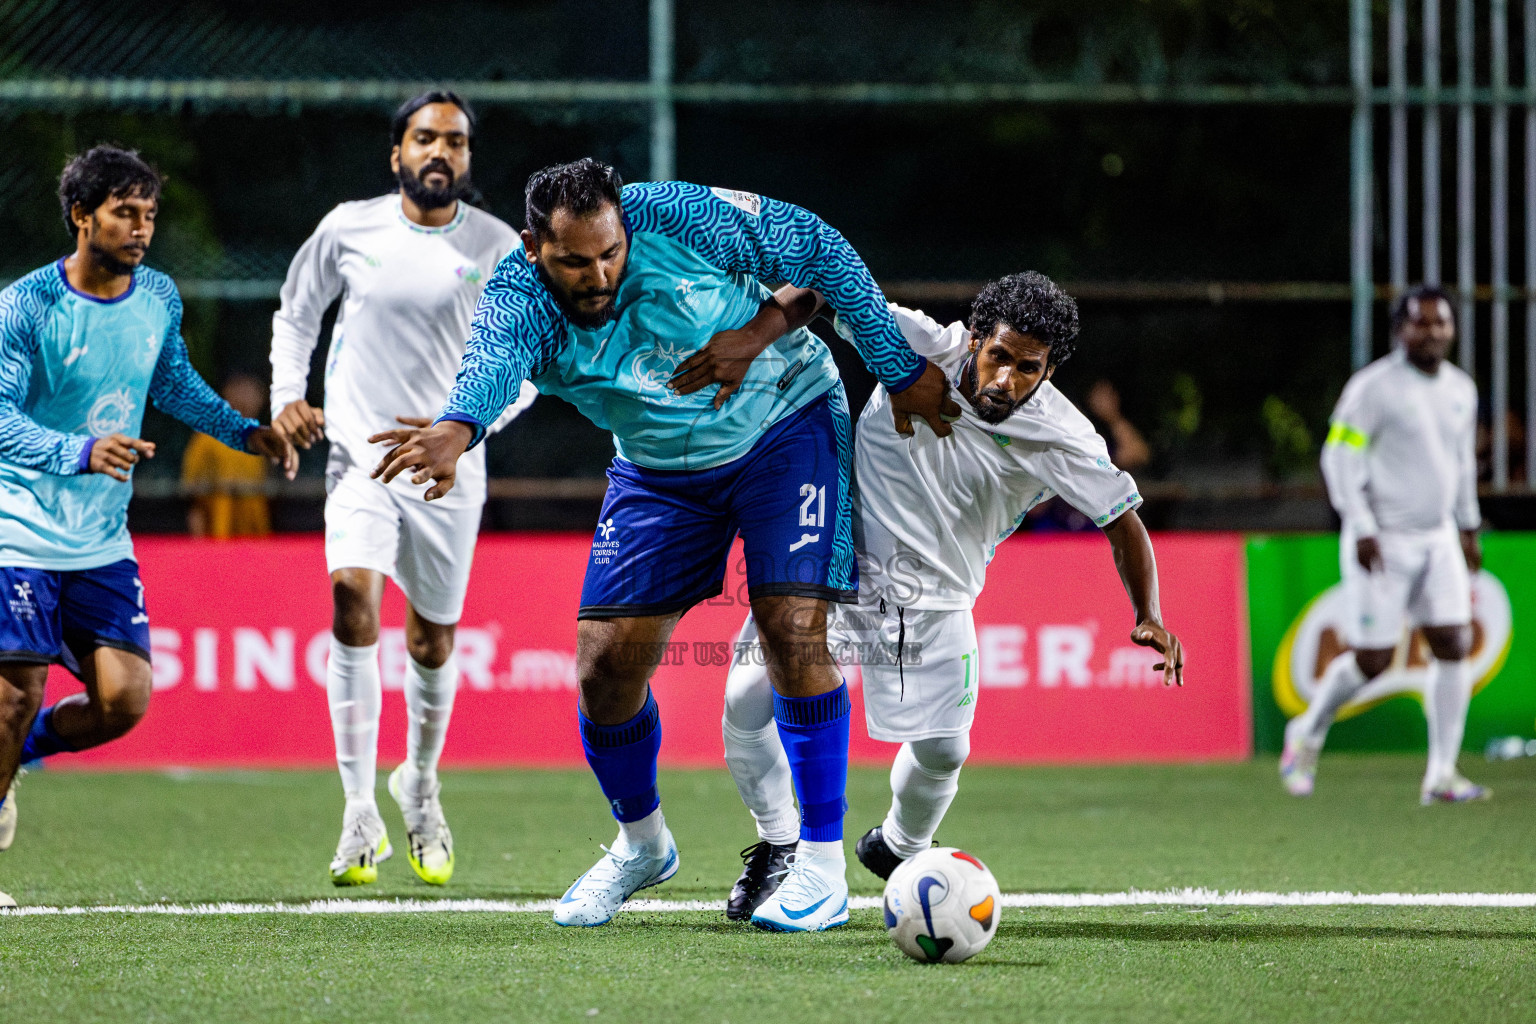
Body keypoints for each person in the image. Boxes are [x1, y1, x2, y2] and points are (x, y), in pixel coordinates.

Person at [372, 158, 958, 931]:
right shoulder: (514, 297)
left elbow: (814, 247)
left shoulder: (679, 215)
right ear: (532, 246)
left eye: (610, 252)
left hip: (785, 423)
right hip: (658, 472)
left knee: (791, 628)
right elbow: (490, 366)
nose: (598, 272)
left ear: (625, 225)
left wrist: (897, 364)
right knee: (604, 665)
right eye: (574, 261)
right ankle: (642, 845)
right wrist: (456, 426)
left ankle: (819, 866)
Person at [718, 273, 1184, 916]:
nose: (1008, 380)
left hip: (935, 598)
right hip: (829, 564)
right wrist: (750, 325)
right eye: (999, 356)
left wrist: (1149, 614)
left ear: (1048, 370)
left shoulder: (1063, 436)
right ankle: (779, 845)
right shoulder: (911, 341)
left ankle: (901, 846)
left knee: (944, 749)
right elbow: (828, 288)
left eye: (1030, 368)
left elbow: (1122, 518)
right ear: (973, 341)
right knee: (744, 702)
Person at [0, 145, 295, 907]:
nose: (141, 228)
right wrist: (79, 449)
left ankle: (17, 757)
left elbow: (171, 383)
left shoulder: (157, 296)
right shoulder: (27, 305)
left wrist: (244, 431)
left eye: (150, 214)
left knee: (124, 701)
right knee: (13, 692)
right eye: (125, 212)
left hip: (100, 540)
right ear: (81, 215)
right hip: (20, 528)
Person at [268, 91, 535, 888]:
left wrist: (470, 426)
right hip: (359, 454)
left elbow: (530, 361)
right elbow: (295, 314)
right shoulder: (350, 226)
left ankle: (417, 783)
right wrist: (289, 393)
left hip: (449, 467)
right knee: (351, 597)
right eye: (425, 138)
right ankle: (357, 812)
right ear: (397, 153)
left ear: (467, 157)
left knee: (431, 641)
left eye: (454, 141)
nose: (439, 152)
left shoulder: (497, 246)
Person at [1281, 284, 1486, 804]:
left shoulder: (1462, 389)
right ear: (1400, 330)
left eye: (1441, 322)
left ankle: (1441, 773)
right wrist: (1362, 523)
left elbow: (1460, 463)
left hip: (1438, 535)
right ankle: (1306, 732)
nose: (1433, 332)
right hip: (1383, 537)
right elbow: (1339, 458)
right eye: (1421, 322)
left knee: (1453, 643)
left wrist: (1468, 524)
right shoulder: (1373, 389)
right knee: (1373, 660)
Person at [181, 373, 273, 538]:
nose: (251, 399)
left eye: (255, 393)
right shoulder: (208, 436)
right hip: (219, 535)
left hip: (254, 536)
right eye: (244, 391)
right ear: (228, 393)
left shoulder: (258, 439)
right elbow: (193, 495)